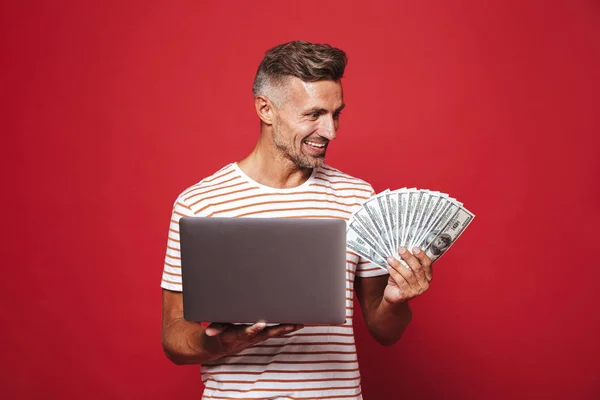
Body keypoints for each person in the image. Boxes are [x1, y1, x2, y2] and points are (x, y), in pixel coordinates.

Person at [160, 40, 434, 399]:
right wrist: (227, 342)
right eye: (313, 115)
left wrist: (396, 301)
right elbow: (173, 337)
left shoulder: (357, 197)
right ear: (265, 109)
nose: (331, 131)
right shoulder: (200, 203)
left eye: (336, 114)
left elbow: (386, 331)